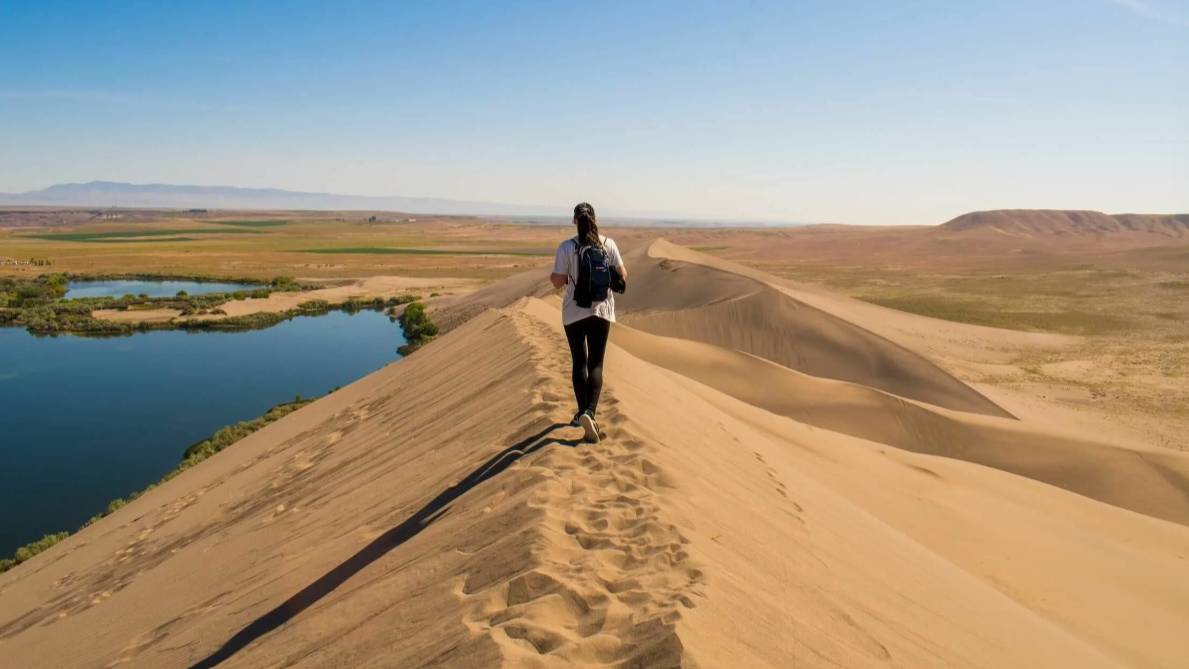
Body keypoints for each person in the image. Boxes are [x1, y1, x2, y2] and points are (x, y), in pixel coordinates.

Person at [550, 202, 627, 443]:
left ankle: (581, 413)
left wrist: (558, 276)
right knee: (596, 364)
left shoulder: (566, 247)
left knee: (579, 362)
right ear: (595, 219)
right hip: (602, 311)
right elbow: (623, 276)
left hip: (574, 313)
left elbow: (558, 281)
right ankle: (590, 412)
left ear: (575, 221)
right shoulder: (608, 244)